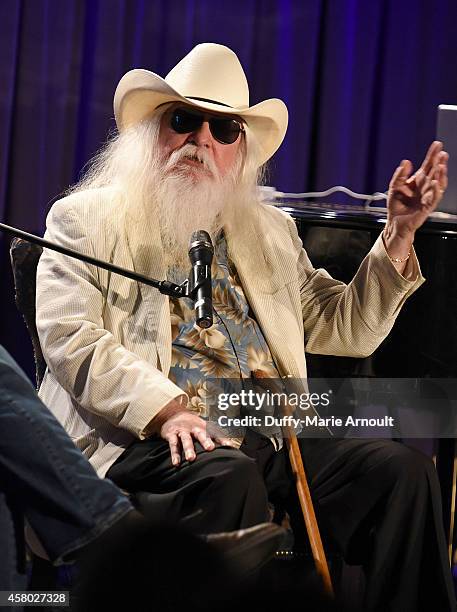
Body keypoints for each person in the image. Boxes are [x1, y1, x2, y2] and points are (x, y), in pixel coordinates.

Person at [35, 43, 454, 610]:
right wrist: (167, 408)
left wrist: (399, 237)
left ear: (241, 150)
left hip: (270, 431)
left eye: (224, 128)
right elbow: (72, 338)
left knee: (401, 473)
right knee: (230, 477)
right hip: (150, 437)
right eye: (184, 120)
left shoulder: (271, 233)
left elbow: (342, 327)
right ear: (152, 132)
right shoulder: (85, 220)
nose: (202, 139)